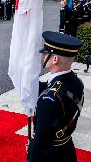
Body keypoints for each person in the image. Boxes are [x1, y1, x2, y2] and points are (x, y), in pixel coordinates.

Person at [27, 31, 84, 162]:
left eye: (46, 53)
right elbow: (55, 88)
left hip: (51, 155)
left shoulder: (48, 100)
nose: (43, 56)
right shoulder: (76, 83)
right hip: (66, 149)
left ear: (55, 59)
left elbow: (41, 144)